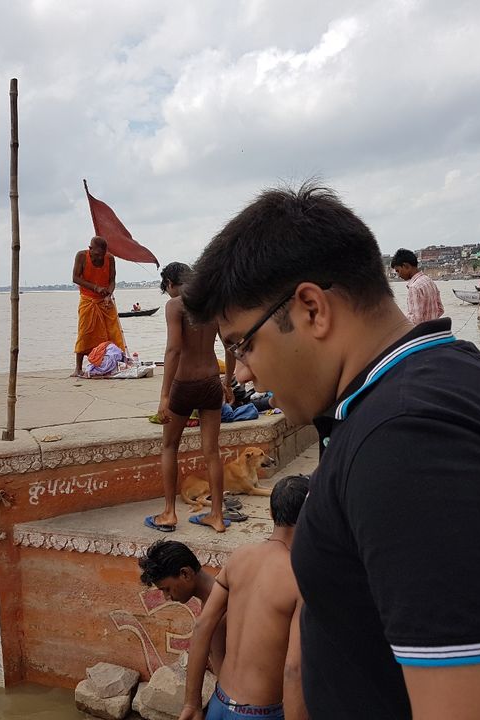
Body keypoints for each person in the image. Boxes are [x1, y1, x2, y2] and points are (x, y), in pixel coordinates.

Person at [181, 183, 480, 720]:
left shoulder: (412, 440)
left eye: (242, 343)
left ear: (312, 309)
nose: (240, 371)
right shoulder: (425, 390)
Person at [178, 475, 309, 720]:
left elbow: (202, 625)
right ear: (312, 519)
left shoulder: (239, 557)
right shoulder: (300, 579)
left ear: (270, 513)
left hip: (219, 704)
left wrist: (192, 703)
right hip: (262, 713)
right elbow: (294, 669)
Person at [147, 262, 234, 534]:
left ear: (172, 283)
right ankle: (217, 516)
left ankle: (169, 513)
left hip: (183, 384)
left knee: (170, 446)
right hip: (210, 382)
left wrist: (163, 396)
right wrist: (227, 381)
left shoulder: (175, 305)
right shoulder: (212, 304)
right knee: (212, 451)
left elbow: (173, 350)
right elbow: (230, 344)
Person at [139, 540, 227, 673]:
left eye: (167, 589)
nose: (166, 597)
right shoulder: (213, 598)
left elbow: (223, 673)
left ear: (185, 574)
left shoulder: (218, 612)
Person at [72, 236, 126, 376]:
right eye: (96, 255)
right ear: (90, 249)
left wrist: (108, 295)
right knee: (85, 332)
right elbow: (75, 278)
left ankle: (117, 363)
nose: (99, 258)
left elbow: (112, 280)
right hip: (88, 300)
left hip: (105, 301)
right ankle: (78, 368)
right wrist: (95, 288)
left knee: (113, 332)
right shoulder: (81, 256)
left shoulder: (110, 259)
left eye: (102, 255)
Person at [390, 249, 444, 326]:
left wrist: (400, 320)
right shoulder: (429, 281)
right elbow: (440, 309)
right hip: (433, 331)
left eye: (398, 270)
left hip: (422, 335)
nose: (398, 275)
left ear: (406, 266)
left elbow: (415, 320)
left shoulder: (414, 288)